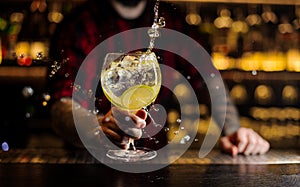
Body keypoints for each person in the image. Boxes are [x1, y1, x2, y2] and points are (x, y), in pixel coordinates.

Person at [48, 0, 270, 156]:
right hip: (87, 165)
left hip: (157, 163)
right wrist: (97, 128)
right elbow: (62, 105)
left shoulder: (171, 19)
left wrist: (233, 131)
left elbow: (208, 80)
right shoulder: (79, 23)